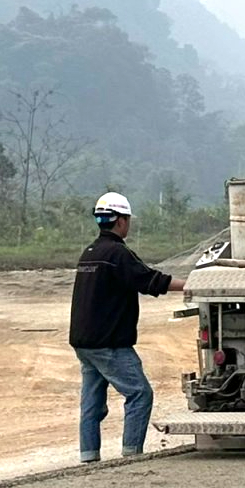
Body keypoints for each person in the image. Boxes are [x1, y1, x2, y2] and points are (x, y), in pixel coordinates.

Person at [70, 192, 181, 464]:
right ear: (120, 221)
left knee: (92, 402)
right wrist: (192, 284)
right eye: (127, 219)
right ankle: (131, 456)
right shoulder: (117, 253)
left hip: (84, 343)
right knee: (140, 393)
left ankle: (89, 457)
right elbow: (150, 280)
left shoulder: (90, 252)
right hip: (109, 344)